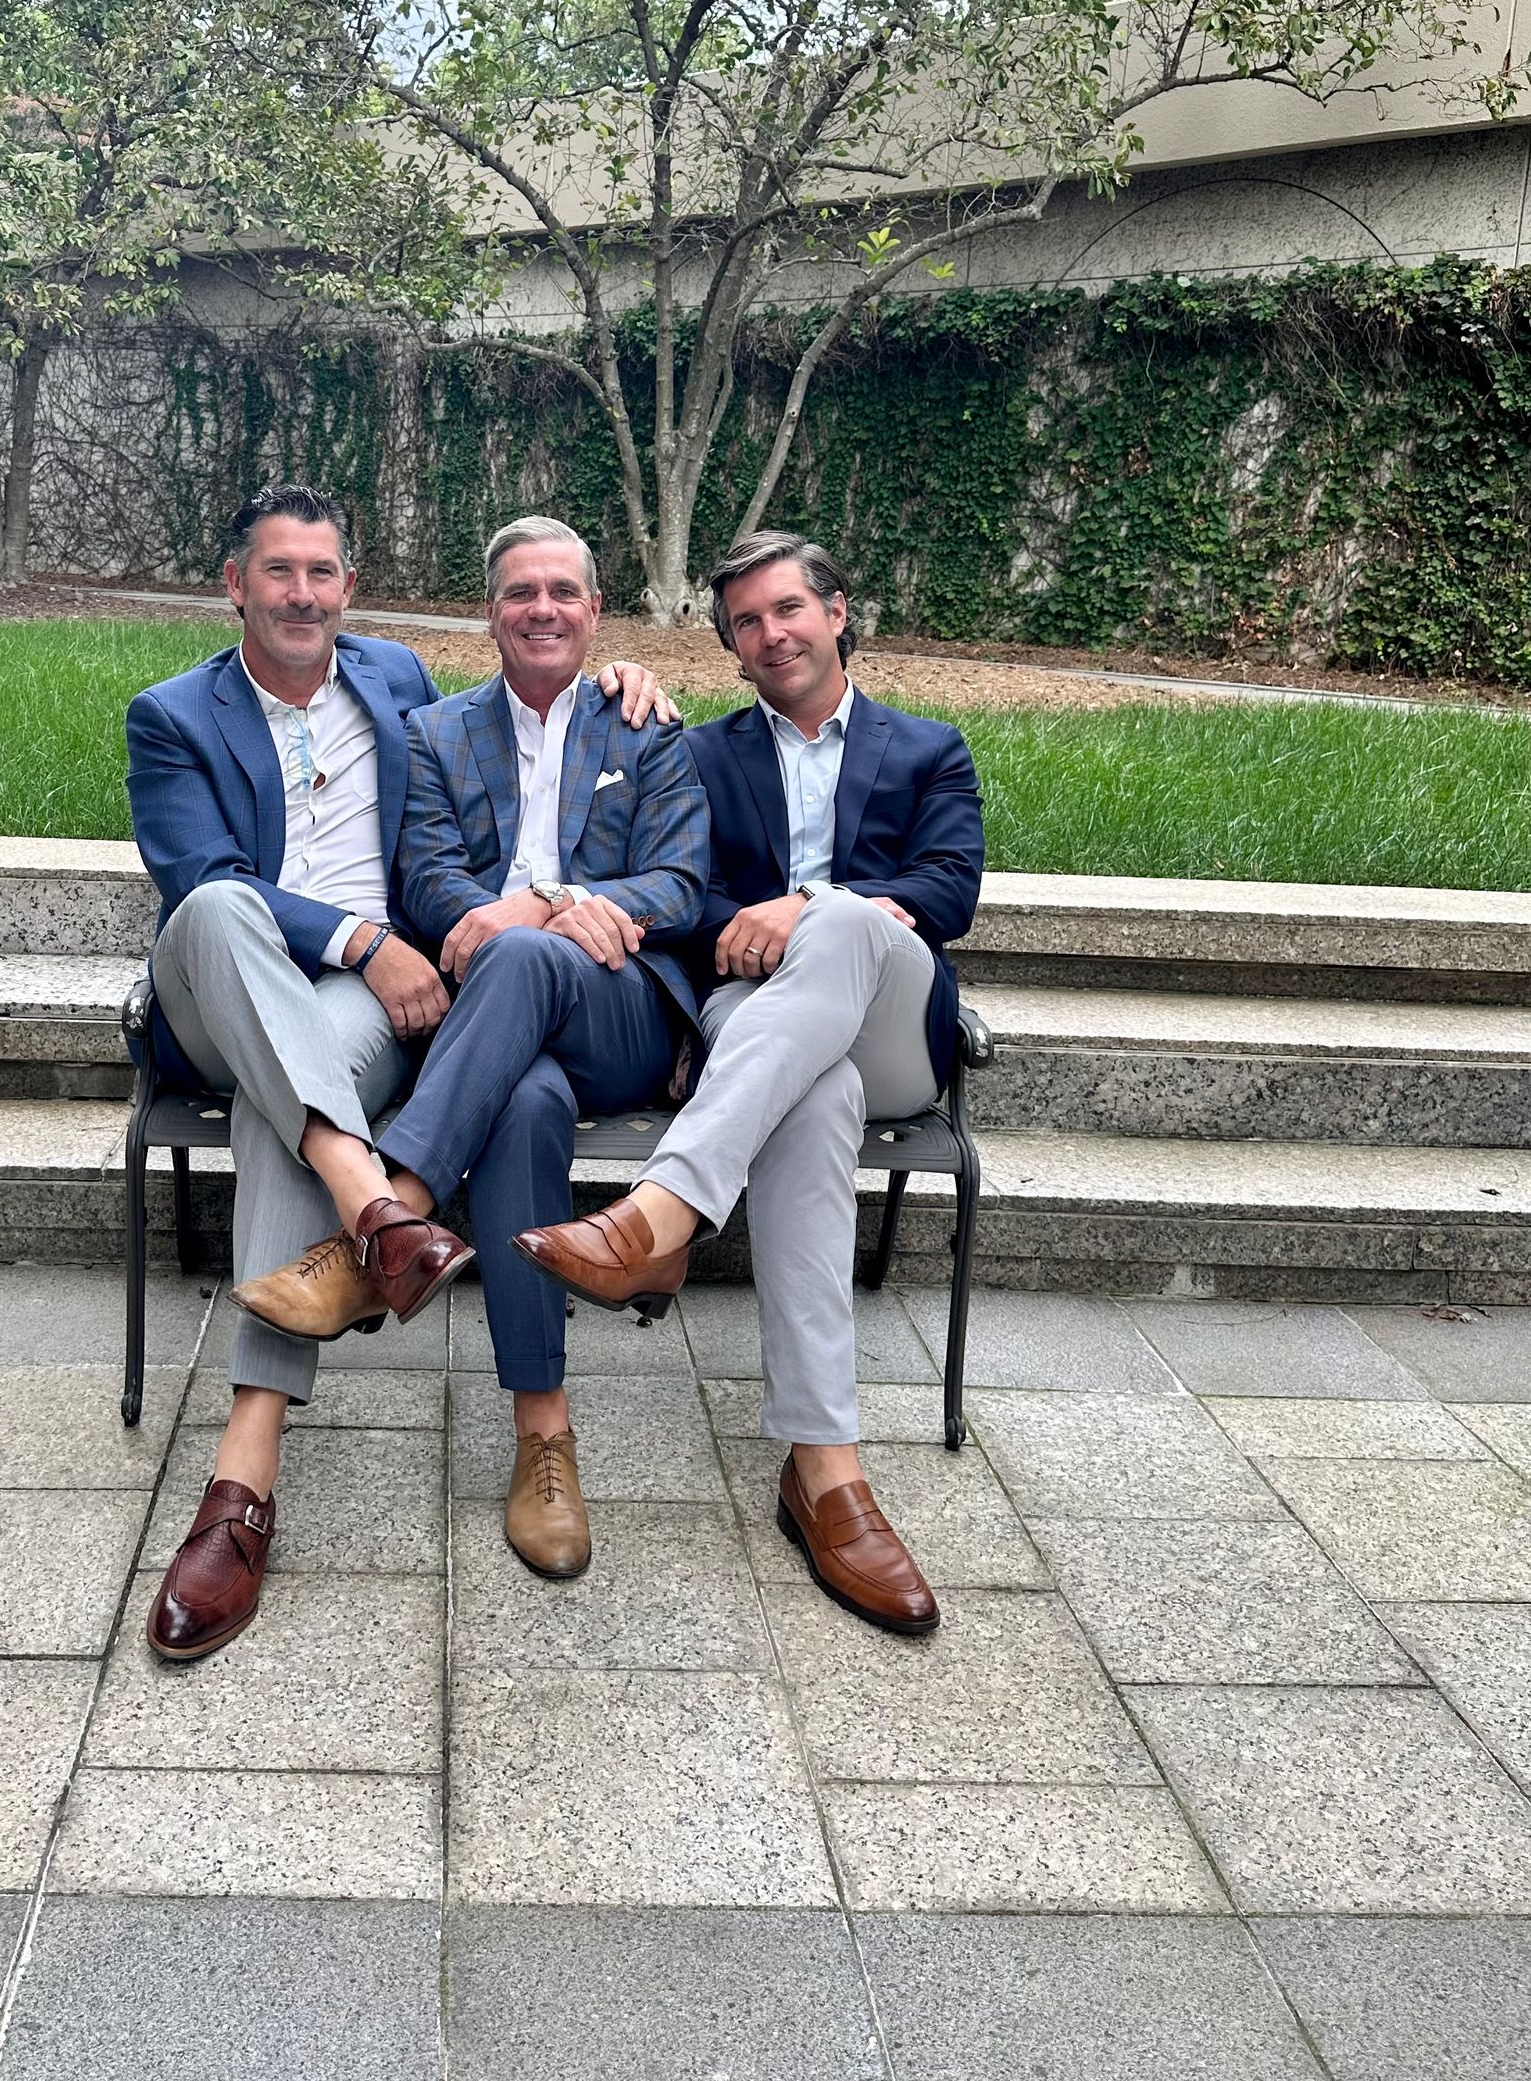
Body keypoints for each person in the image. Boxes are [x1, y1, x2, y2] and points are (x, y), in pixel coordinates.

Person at [127, 485, 669, 1661]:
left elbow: (534, 693)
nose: (302, 594)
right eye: (280, 571)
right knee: (220, 909)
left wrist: (621, 675)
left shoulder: (397, 682)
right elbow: (200, 880)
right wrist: (366, 940)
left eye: (322, 572)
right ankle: (375, 1206)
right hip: (231, 985)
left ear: (350, 586)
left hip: (363, 1016)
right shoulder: (170, 715)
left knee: (321, 1098)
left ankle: (245, 1480)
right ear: (236, 585)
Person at [516, 529, 984, 1635]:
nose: (771, 634)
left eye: (788, 610)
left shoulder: (929, 749)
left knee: (849, 924)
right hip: (754, 1013)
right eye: (746, 623)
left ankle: (663, 1212)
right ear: (730, 646)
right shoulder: (705, 753)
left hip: (892, 1022)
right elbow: (687, 892)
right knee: (811, 1099)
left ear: (836, 613)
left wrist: (812, 906)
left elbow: (947, 889)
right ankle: (826, 1474)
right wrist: (755, 921)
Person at [238, 516, 709, 1582]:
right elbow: (426, 875)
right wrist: (500, 923)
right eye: (520, 593)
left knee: (526, 954)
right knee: (524, 1102)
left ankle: (390, 1220)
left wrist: (545, 905)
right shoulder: (436, 732)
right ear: (488, 613)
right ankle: (544, 1433)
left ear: (596, 611)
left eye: (563, 592)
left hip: (620, 1009)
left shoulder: (648, 729)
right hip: (497, 1033)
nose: (543, 610)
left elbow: (680, 882)